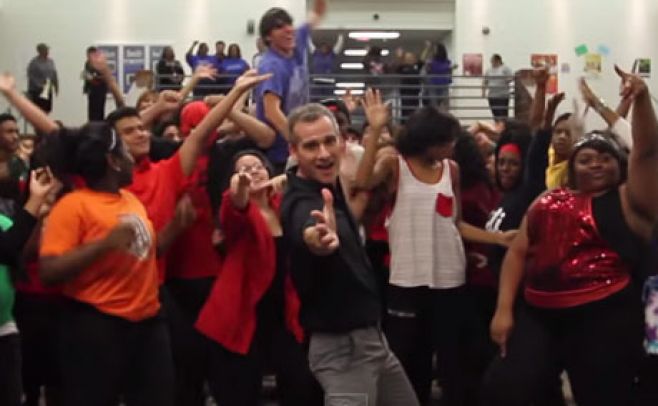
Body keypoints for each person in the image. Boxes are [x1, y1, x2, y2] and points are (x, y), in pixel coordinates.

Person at [484, 67, 658, 406]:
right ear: (572, 167)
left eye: (605, 159)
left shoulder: (630, 199)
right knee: (506, 389)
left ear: (619, 165)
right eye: (586, 159)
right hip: (540, 313)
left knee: (603, 395)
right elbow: (518, 254)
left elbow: (648, 151)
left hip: (605, 316)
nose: (596, 165)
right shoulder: (547, 199)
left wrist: (641, 100)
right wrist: (503, 310)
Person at [355, 91, 515, 406]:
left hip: (449, 279)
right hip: (407, 280)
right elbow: (361, 182)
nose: (452, 147)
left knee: (453, 362)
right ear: (426, 140)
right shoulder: (395, 165)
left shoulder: (451, 170)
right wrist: (374, 130)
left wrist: (497, 238)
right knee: (409, 362)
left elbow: (453, 222)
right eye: (446, 141)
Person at [281, 102, 420, 406]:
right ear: (294, 151)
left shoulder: (330, 189)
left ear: (342, 142)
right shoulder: (302, 200)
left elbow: (361, 185)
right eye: (311, 146)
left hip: (371, 341)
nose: (323, 153)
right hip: (343, 349)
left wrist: (375, 130)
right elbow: (305, 224)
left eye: (329, 141)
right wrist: (316, 238)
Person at [38, 122, 175, 406]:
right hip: (97, 326)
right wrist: (103, 245)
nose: (130, 159)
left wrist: (178, 226)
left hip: (147, 323)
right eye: (124, 152)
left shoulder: (129, 199)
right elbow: (49, 271)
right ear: (112, 161)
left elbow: (142, 250)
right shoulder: (73, 206)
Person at [196, 150, 321, 406]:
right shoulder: (234, 206)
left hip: (282, 313)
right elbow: (236, 206)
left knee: (300, 384)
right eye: (244, 168)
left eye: (258, 166)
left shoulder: (283, 206)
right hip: (241, 313)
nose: (252, 171)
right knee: (241, 394)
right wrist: (238, 188)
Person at [0, 167, 56, 406]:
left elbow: (11, 250)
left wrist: (36, 204)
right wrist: (34, 202)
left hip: (4, 330)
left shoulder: (3, 221)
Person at [255, 0, 327, 174]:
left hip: (297, 147)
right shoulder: (271, 65)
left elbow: (317, 12)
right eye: (279, 27)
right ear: (267, 37)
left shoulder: (297, 42)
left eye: (289, 24)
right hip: (280, 155)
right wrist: (300, 141)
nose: (288, 29)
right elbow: (271, 112)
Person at [27, 43, 59, 114]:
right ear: (40, 51)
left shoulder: (51, 61)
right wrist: (39, 86)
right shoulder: (34, 63)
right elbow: (31, 76)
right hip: (37, 91)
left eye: (47, 50)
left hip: (47, 89)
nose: (47, 51)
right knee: (38, 110)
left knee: (47, 109)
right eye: (45, 50)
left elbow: (54, 74)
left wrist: (56, 86)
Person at [425, 42, 455, 111]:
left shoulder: (447, 61)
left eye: (436, 49)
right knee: (434, 104)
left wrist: (450, 72)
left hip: (443, 84)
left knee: (445, 104)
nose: (434, 51)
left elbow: (448, 72)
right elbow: (430, 69)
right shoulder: (432, 61)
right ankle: (435, 119)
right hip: (433, 84)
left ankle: (444, 119)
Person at [482, 54, 513, 121]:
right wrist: (483, 92)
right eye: (491, 61)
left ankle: (504, 128)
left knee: (502, 113)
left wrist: (506, 80)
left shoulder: (505, 68)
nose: (492, 63)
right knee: (495, 113)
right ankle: (497, 126)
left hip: (502, 95)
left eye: (493, 61)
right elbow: (485, 81)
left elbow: (511, 78)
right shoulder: (489, 70)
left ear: (498, 60)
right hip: (492, 95)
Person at [82, 46, 109, 121]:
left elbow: (104, 76)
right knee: (91, 110)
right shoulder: (87, 63)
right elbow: (87, 74)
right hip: (91, 90)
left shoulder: (100, 64)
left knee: (99, 110)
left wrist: (94, 78)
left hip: (100, 89)